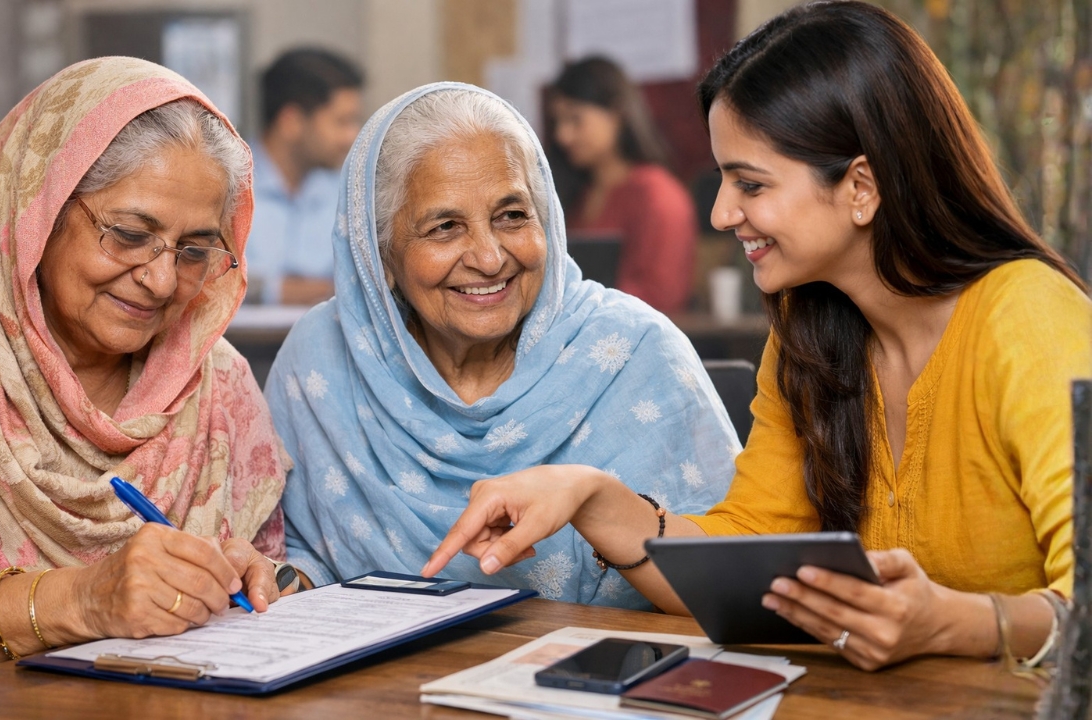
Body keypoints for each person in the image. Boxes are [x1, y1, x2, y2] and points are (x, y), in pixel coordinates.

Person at [425, 1, 1091, 671]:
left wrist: (956, 623)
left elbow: (1085, 605)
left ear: (862, 185)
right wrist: (590, 496)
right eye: (722, 181)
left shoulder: (1028, 319)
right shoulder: (812, 334)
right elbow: (745, 552)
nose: (720, 213)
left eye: (750, 183)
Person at [0, 58, 291, 708]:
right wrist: (87, 599)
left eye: (195, 250)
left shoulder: (218, 382)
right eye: (129, 235)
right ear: (39, 205)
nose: (160, 279)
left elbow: (265, 579)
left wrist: (257, 582)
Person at [264, 83, 738, 607]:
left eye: (512, 216)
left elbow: (735, 583)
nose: (489, 259)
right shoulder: (322, 361)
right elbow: (295, 551)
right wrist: (284, 578)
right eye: (445, 228)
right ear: (380, 258)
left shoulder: (634, 351)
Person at [548, 57, 698, 314]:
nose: (563, 135)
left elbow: (661, 294)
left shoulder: (657, 194)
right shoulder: (576, 194)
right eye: (558, 122)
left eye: (575, 119)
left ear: (616, 114)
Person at [246, 48, 364, 305]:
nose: (351, 137)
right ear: (292, 122)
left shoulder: (344, 193)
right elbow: (213, 282)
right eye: (341, 122)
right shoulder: (224, 185)